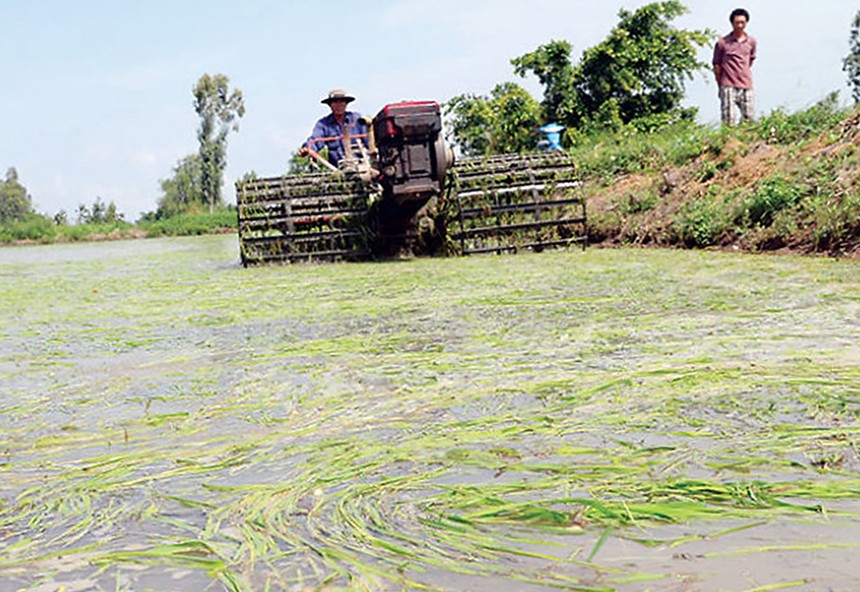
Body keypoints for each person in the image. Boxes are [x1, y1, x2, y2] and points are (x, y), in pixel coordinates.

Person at [299, 88, 368, 166]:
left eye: (342, 101)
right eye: (335, 102)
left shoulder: (357, 119)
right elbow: (315, 140)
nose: (339, 105)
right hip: (337, 168)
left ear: (346, 103)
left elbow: (368, 141)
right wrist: (308, 148)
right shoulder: (323, 124)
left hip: (362, 165)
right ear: (330, 104)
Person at [713, 8, 757, 125]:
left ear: (746, 23)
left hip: (746, 85)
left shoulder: (751, 41)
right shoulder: (722, 43)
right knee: (729, 120)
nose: (740, 25)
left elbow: (750, 61)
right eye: (737, 22)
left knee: (749, 119)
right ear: (732, 23)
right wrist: (720, 85)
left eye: (742, 22)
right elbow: (717, 66)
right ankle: (728, 142)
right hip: (728, 85)